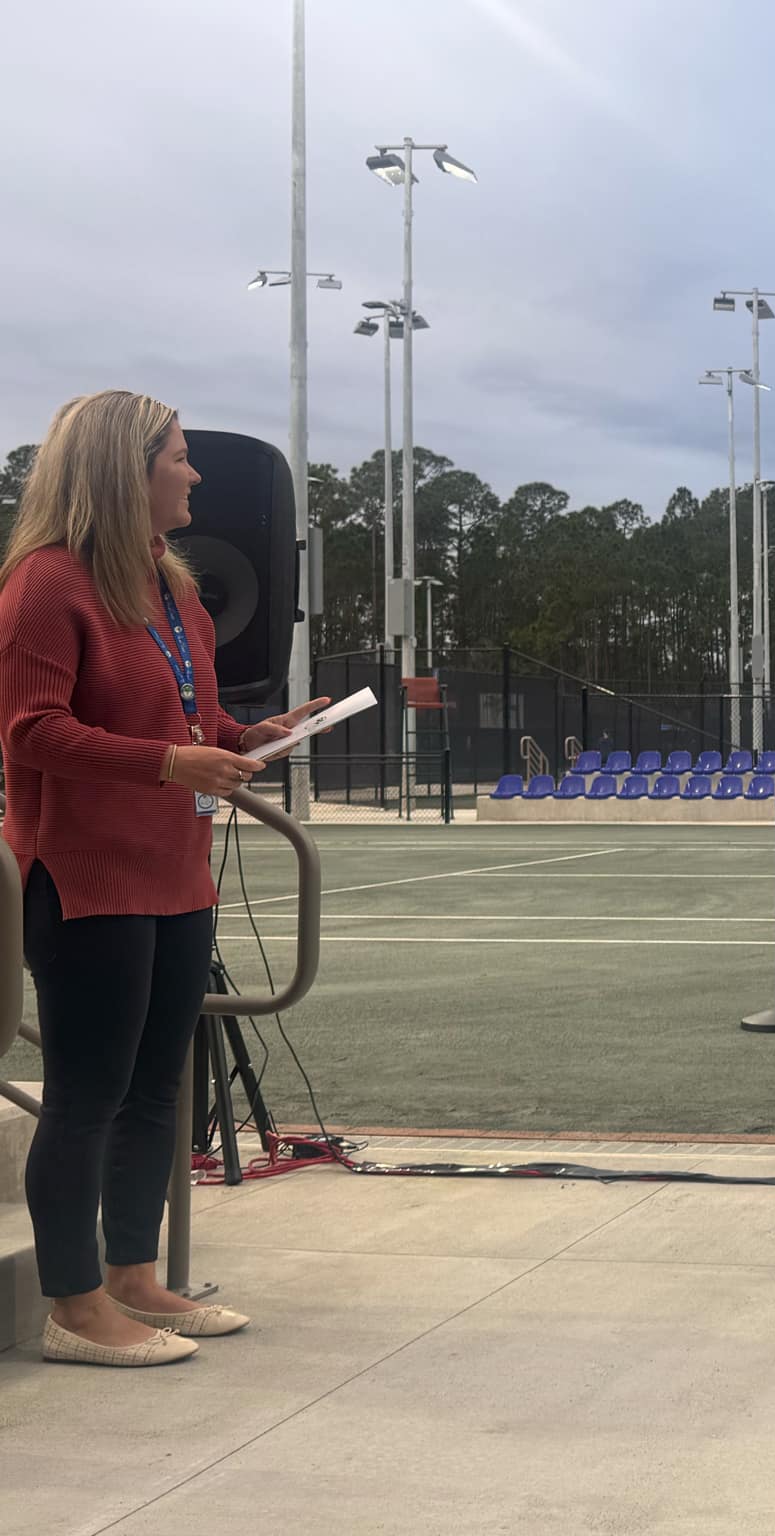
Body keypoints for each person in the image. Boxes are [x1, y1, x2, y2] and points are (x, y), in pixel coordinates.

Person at [0, 391, 328, 1366]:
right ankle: (73, 1303)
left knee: (157, 1091)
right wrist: (169, 764)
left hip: (177, 870)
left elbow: (190, 721)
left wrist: (245, 737)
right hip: (88, 874)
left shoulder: (171, 586)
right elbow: (27, 730)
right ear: (123, 469)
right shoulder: (45, 585)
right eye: (179, 458)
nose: (193, 475)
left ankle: (133, 1277)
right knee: (87, 1093)